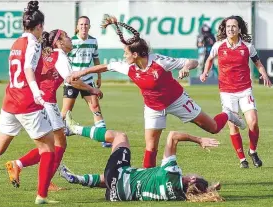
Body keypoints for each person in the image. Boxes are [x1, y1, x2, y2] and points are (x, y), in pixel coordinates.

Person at [66, 14, 246, 169]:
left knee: (213, 128)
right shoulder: (128, 66)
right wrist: (81, 72)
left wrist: (185, 68)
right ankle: (147, 180)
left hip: (177, 100)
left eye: (126, 52)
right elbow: (104, 66)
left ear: (136, 54)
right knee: (151, 147)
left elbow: (193, 62)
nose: (124, 56)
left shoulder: (159, 61)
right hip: (153, 107)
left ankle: (228, 114)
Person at [5, 30, 103, 191]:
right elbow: (72, 81)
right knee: (59, 143)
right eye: (67, 37)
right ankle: (45, 181)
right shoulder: (60, 56)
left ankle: (19, 165)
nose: (71, 39)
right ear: (59, 42)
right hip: (47, 102)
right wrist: (92, 89)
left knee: (50, 144)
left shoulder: (47, 54)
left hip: (36, 100)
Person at [59, 111, 224, 202]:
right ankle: (78, 179)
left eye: (194, 176)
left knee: (120, 137)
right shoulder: (180, 197)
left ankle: (73, 129)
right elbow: (195, 191)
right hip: (117, 196)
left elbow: (173, 135)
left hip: (117, 175)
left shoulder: (172, 174)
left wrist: (199, 139)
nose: (191, 174)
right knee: (122, 179)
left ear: (192, 180)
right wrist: (207, 190)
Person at [0, 1, 58, 204]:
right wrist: (37, 93)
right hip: (26, 102)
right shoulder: (33, 43)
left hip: (10, 102)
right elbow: (27, 70)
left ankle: (41, 194)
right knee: (48, 149)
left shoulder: (16, 43)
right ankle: (42, 196)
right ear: (39, 26)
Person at [200, 15, 272, 168]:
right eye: (228, 27)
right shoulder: (218, 45)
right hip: (226, 92)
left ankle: (252, 151)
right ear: (224, 29)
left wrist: (264, 74)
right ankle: (242, 159)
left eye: (234, 26)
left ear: (239, 29)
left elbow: (257, 62)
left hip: (245, 90)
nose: (230, 29)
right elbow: (209, 59)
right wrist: (205, 72)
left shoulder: (247, 46)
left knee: (253, 122)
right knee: (233, 125)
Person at [63, 15, 111, 147]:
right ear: (77, 27)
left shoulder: (93, 41)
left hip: (88, 80)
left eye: (86, 24)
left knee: (95, 107)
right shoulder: (71, 42)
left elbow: (96, 59)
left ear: (89, 26)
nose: (84, 27)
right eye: (81, 24)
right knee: (66, 111)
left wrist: (99, 76)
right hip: (73, 81)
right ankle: (57, 135)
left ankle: (104, 138)